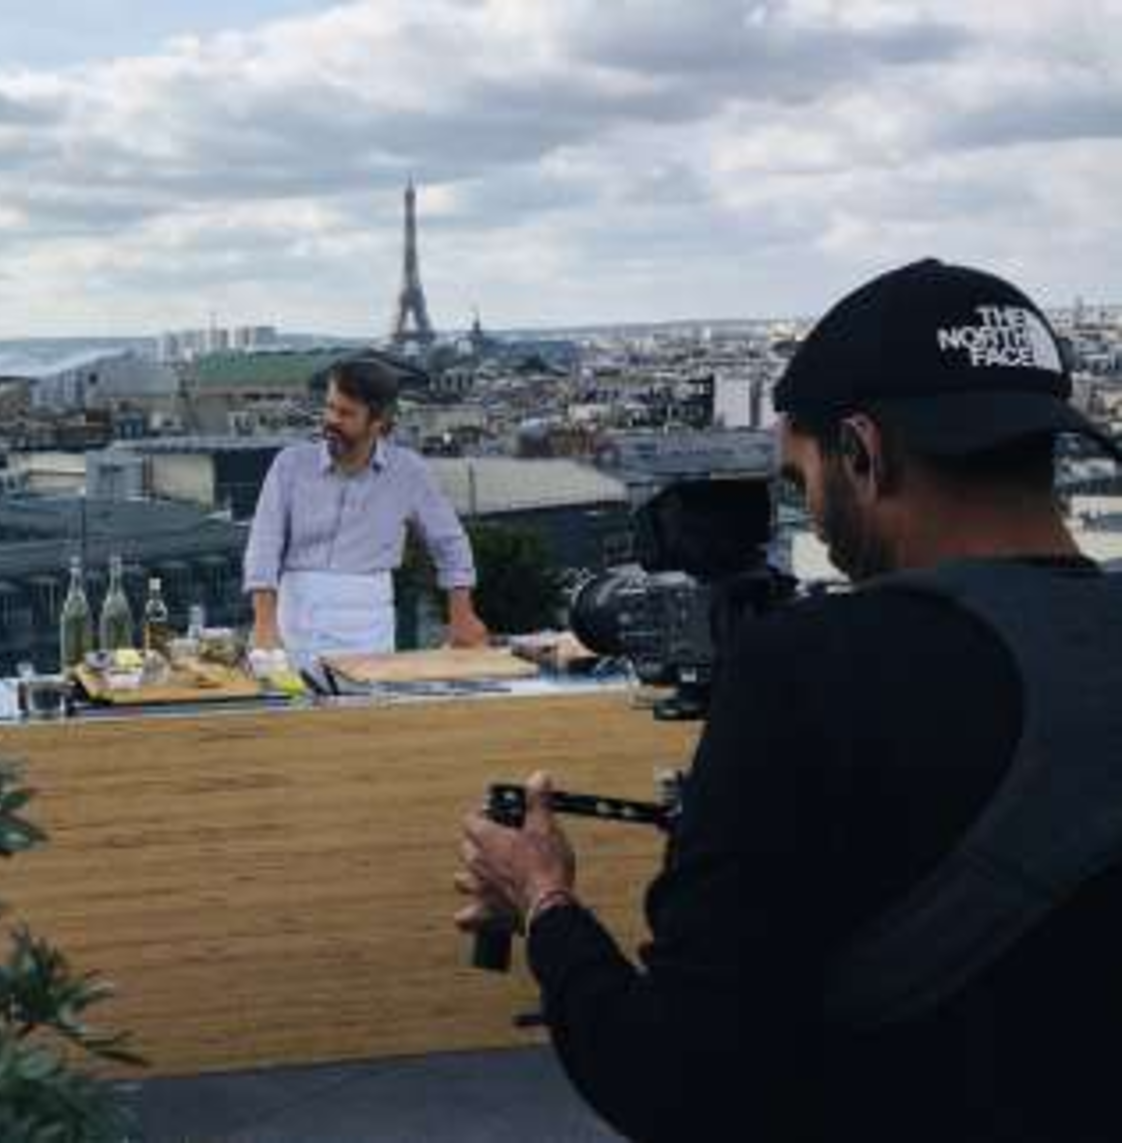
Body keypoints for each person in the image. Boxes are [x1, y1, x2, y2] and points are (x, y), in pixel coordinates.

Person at [456, 260, 1122, 1141]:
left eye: (800, 479)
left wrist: (544, 900)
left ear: (863, 452)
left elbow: (678, 1085)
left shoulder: (808, 671)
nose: (812, 515)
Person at [243, 354, 487, 675]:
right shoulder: (290, 465)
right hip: (294, 619)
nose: (332, 419)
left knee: (364, 704)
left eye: (346, 413)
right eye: (330, 407)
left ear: (378, 422)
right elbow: (264, 544)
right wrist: (264, 624)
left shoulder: (408, 472)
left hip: (367, 625)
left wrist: (461, 614)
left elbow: (450, 543)